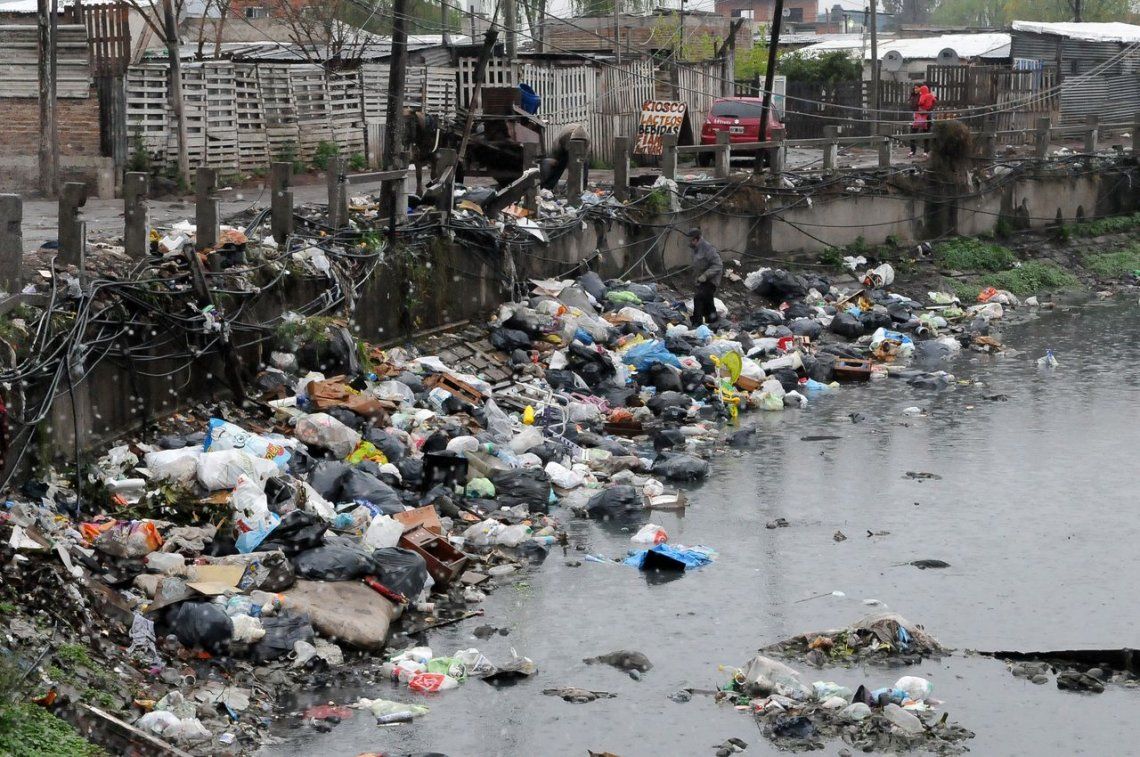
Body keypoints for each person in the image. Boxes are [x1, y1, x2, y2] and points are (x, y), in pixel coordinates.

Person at [686, 227, 723, 327]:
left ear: (696, 239)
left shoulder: (708, 248)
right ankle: (713, 322)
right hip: (702, 279)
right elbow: (698, 266)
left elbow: (718, 265)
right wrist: (697, 279)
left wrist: (705, 275)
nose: (689, 242)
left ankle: (697, 324)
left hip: (712, 279)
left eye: (691, 240)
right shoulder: (695, 249)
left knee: (698, 298)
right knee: (708, 302)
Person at [540, 123, 590, 190]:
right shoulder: (562, 139)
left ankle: (581, 187)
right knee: (559, 165)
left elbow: (582, 159)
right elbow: (556, 151)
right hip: (563, 147)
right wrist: (555, 159)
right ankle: (548, 187)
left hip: (579, 145)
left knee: (583, 165)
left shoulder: (586, 142)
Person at [909, 85, 937, 157]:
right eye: (915, 88)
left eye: (917, 88)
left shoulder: (925, 95)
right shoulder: (914, 96)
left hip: (926, 115)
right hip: (917, 115)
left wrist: (927, 109)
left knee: (926, 133)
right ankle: (912, 150)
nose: (915, 89)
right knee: (913, 132)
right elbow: (913, 105)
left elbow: (932, 103)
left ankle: (926, 151)